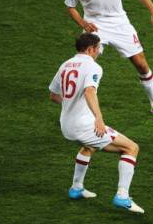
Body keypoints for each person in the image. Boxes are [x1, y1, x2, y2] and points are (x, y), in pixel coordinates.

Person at [49, 33, 144, 213]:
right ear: (91, 49)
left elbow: (53, 95)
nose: (100, 51)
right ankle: (122, 196)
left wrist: (70, 105)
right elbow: (90, 92)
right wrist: (99, 119)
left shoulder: (65, 65)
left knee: (88, 147)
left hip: (66, 125)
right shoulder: (93, 67)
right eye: (99, 47)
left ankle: (76, 188)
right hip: (83, 126)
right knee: (131, 148)